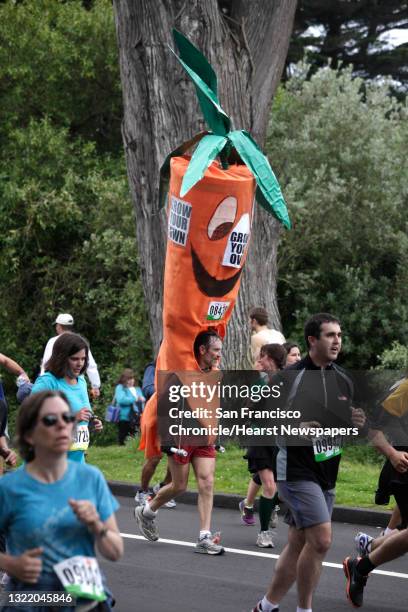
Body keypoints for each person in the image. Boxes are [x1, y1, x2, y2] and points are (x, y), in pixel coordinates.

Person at [252, 313, 366, 612]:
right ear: (312, 340)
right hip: (295, 470)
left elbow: (341, 425)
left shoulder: (343, 378)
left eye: (339, 335)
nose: (337, 341)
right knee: (322, 540)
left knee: (299, 543)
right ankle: (304, 609)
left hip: (327, 469)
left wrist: (354, 422)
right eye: (330, 335)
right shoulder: (290, 378)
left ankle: (266, 606)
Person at [0, 390, 123, 611]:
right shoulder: (10, 488)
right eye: (50, 420)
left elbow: (115, 552)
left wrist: (96, 525)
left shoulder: (90, 478)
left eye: (67, 418)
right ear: (29, 434)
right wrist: (11, 564)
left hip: (83, 589)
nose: (62, 425)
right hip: (33, 596)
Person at [134, 330, 225, 555]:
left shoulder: (216, 374)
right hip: (181, 435)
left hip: (203, 437)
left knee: (207, 482)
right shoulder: (182, 372)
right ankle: (147, 511)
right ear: (202, 350)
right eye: (215, 350)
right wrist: (166, 438)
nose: (218, 355)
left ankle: (204, 536)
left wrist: (218, 433)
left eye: (220, 351)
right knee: (179, 485)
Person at [344, 375, 408, 607]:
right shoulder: (405, 389)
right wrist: (392, 454)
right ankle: (361, 567)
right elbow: (372, 427)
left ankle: (362, 562)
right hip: (403, 468)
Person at [239, 344, 287, 548]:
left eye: (263, 357)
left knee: (281, 489)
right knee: (269, 486)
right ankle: (264, 533)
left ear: (272, 359)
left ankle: (260, 508)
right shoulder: (260, 383)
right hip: (260, 439)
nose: (260, 360)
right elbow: (246, 410)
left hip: (281, 440)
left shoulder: (288, 381)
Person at [32, 333, 102, 463]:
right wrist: (72, 417)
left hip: (76, 464)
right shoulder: (47, 382)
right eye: (74, 359)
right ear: (62, 357)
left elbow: (81, 419)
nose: (80, 364)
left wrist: (91, 423)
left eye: (83, 359)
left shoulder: (81, 381)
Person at [41, 313, 101, 399]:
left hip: (57, 383)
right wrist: (95, 386)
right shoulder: (80, 341)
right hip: (77, 384)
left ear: (59, 326)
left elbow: (46, 364)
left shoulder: (53, 341)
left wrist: (43, 382)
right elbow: (90, 365)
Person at [114, 369, 144, 445]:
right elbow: (121, 400)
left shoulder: (137, 388)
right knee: (123, 438)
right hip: (125, 417)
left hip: (137, 417)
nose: (131, 381)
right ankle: (120, 454)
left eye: (132, 378)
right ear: (124, 379)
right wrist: (135, 399)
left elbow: (143, 400)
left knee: (136, 438)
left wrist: (142, 400)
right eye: (128, 379)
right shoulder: (120, 387)